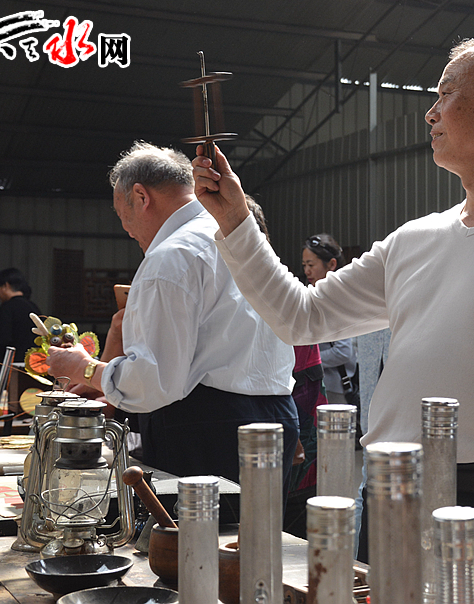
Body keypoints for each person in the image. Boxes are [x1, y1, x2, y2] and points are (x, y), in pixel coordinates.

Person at [192, 31, 474, 574]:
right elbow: (301, 316)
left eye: (446, 94)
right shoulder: (414, 240)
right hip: (386, 497)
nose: (431, 113)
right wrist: (235, 219)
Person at [46, 141, 298, 489]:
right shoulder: (240, 236)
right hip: (276, 415)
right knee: (261, 523)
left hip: (208, 429)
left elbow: (155, 381)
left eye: (123, 214)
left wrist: (83, 367)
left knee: (197, 525)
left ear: (141, 197)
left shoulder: (171, 255)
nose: (128, 229)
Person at [301, 234, 359, 407]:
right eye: (304, 265)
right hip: (316, 384)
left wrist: (308, 360)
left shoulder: (338, 299)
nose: (307, 271)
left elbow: (343, 351)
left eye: (311, 265)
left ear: (332, 264)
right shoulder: (313, 295)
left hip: (335, 389)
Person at [0, 268, 41, 362]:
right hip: (34, 363)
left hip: (13, 364)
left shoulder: (7, 308)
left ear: (6, 286)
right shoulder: (33, 307)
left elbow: (3, 339)